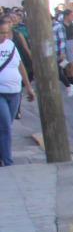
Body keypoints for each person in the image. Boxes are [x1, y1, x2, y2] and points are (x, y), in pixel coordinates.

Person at [0, 17, 36, 167]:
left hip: (15, 91)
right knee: (6, 126)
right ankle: (8, 161)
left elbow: (20, 66)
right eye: (1, 33)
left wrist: (28, 87)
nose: (4, 36)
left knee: (7, 125)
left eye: (6, 33)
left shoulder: (11, 45)